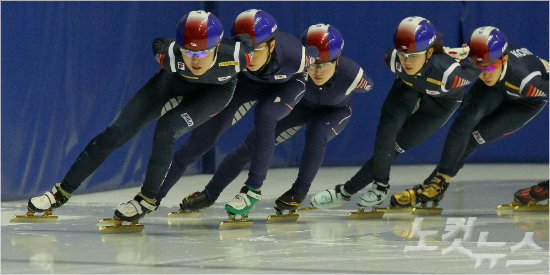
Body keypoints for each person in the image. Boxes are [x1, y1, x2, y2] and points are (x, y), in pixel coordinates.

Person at [25, 10, 254, 224]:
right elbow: (159, 43)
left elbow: (250, 40)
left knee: (166, 130)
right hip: (173, 83)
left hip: (215, 92)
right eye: (189, 52)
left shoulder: (238, 54)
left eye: (202, 52)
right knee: (115, 132)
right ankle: (61, 192)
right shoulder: (170, 55)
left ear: (217, 48)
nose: (195, 60)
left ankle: (147, 199)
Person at [164, 23, 373, 214]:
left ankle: (299, 191)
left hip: (335, 112)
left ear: (337, 61)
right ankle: (210, 194)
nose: (316, 71)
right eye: (313, 65)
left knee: (317, 134)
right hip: (300, 106)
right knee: (248, 148)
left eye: (324, 65)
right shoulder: (297, 62)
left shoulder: (352, 74)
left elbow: (368, 85)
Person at [154, 9, 318, 216]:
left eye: (256, 49)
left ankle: (252, 189)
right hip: (247, 83)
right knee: (200, 141)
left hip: (287, 85)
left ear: (272, 44)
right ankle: (153, 197)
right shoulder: (230, 54)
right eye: (245, 49)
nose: (249, 56)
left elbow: (316, 53)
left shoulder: (297, 56)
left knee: (266, 116)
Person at [308, 16, 481, 210]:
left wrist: (458, 56)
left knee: (398, 146)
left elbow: (479, 67)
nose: (407, 61)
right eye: (403, 54)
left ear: (430, 52)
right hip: (409, 86)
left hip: (442, 101)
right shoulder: (393, 60)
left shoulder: (450, 75)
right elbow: (406, 57)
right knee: (387, 129)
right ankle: (380, 187)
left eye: (414, 55)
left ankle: (345, 191)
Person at [390, 26, 548, 208]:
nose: (485, 73)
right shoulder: (481, 64)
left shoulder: (529, 79)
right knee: (465, 120)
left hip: (525, 102)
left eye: (489, 66)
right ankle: (435, 184)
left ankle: (433, 183)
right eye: (479, 67)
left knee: (474, 138)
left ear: (504, 59)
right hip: (495, 88)